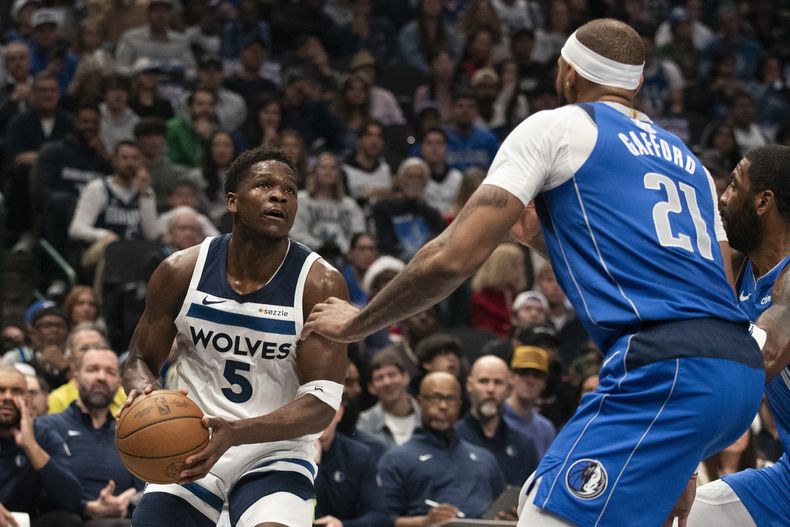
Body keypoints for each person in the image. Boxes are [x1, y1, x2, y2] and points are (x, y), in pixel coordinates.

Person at [304, 19, 766, 527]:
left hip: (666, 370)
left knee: (546, 513)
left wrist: (358, 322)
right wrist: (679, 460)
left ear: (567, 72)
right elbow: (710, 283)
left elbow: (454, 257)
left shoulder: (557, 126)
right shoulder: (693, 165)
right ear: (636, 85)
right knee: (535, 498)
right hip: (737, 375)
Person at [118, 147, 348, 527]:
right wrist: (144, 391)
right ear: (232, 201)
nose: (280, 196)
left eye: (290, 191)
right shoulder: (180, 270)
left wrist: (237, 432)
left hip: (276, 451)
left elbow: (321, 405)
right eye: (264, 185)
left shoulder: (319, 283)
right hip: (190, 441)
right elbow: (140, 358)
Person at [689, 145, 790, 526]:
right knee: (693, 515)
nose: (723, 198)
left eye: (733, 185)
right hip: (786, 482)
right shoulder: (738, 272)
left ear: (763, 201)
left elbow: (761, 356)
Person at [377, 371, 505, 523]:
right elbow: (382, 521)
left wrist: (507, 518)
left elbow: (502, 508)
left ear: (459, 405)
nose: (443, 406)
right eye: (435, 398)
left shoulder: (484, 458)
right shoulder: (396, 459)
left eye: (450, 399)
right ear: (419, 402)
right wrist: (425, 522)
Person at [38, 348, 143, 526]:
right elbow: (39, 489)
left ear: (119, 382)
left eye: (110, 372)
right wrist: (86, 507)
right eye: (92, 369)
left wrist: (129, 499)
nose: (101, 377)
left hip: (123, 519)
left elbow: (144, 486)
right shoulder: (48, 426)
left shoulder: (130, 433)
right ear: (76, 377)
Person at [0, 366, 82, 527]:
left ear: (28, 401)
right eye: (1, 390)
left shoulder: (43, 435)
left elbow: (71, 499)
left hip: (25, 522)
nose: (8, 397)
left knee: (68, 520)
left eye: (16, 391)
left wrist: (31, 446)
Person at [456, 355, 539, 486]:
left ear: (509, 389)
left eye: (498, 382)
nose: (490, 389)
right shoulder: (453, 439)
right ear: (469, 385)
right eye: (483, 381)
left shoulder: (524, 446)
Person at [313, 404, 391, 527]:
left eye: (325, 410)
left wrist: (342, 525)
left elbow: (380, 515)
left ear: (339, 413)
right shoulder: (286, 454)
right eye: (312, 412)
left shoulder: (359, 455)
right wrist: (314, 466)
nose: (319, 418)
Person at [357, 351, 421, 449]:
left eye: (392, 375)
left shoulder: (426, 415)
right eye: (379, 378)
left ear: (406, 377)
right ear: (371, 388)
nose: (387, 382)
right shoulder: (363, 423)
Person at [502, 345, 556, 459]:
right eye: (524, 373)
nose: (530, 380)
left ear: (544, 382)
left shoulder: (546, 430)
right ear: (511, 377)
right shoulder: (495, 419)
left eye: (537, 375)